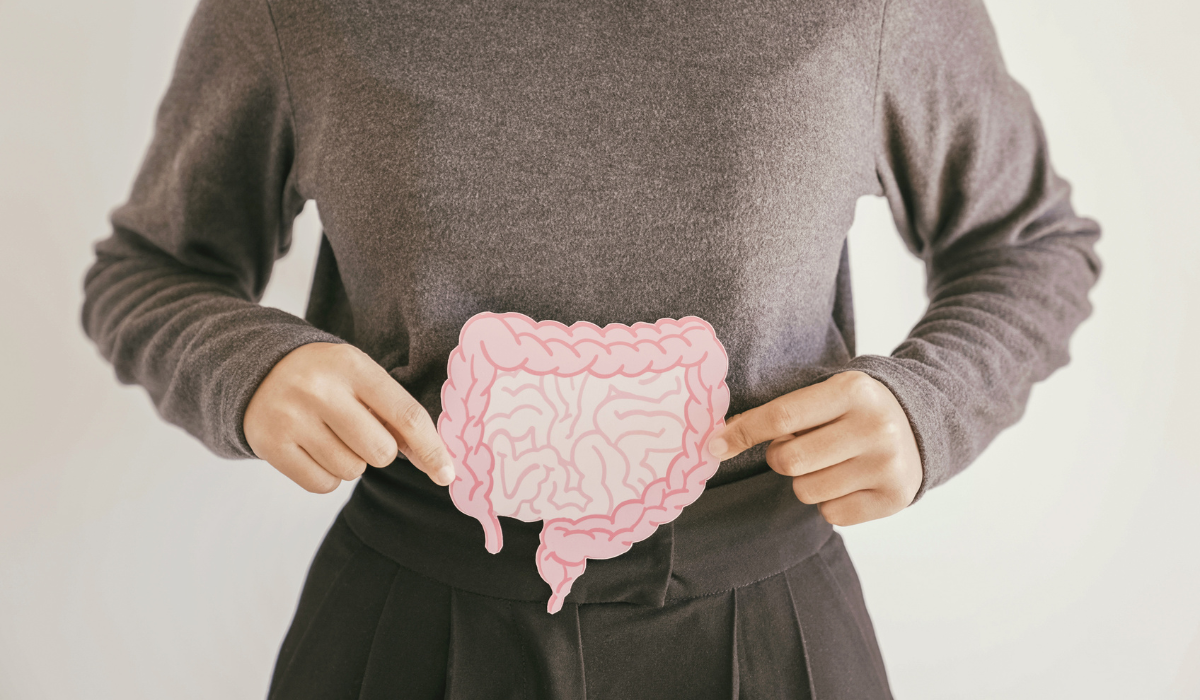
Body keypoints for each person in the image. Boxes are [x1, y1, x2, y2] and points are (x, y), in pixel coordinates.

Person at [80, 0, 1101, 697]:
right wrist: (245, 366)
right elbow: (150, 266)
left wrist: (934, 402)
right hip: (412, 613)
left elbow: (1029, 244)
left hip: (767, 617)